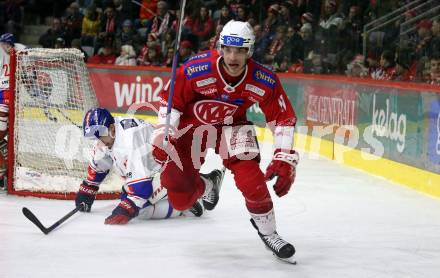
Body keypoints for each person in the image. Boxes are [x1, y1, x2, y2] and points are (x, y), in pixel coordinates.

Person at [151, 20, 299, 263]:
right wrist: (163, 136)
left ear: (249, 52)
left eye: (240, 51)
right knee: (178, 193)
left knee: (253, 182)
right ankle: (208, 185)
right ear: (220, 47)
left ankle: (269, 233)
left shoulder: (264, 79)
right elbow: (171, 102)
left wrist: (284, 156)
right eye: (228, 49)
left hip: (233, 127)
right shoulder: (196, 69)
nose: (233, 57)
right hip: (191, 128)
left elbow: (283, 117)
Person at [75, 108, 224, 225]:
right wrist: (88, 189)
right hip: (153, 171)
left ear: (112, 128)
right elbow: (100, 163)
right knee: (127, 198)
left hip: (168, 169)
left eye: (99, 134)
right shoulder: (107, 137)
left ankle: (200, 191)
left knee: (141, 209)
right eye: (93, 136)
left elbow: (142, 190)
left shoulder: (130, 139)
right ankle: (184, 195)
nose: (98, 140)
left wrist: (128, 209)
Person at [0, 33, 26, 187]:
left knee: (6, 135)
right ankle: (9, 170)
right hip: (9, 95)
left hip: (7, 95)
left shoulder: (18, 53)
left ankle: (6, 170)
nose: (4, 47)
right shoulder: (16, 53)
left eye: (5, 44)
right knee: (8, 136)